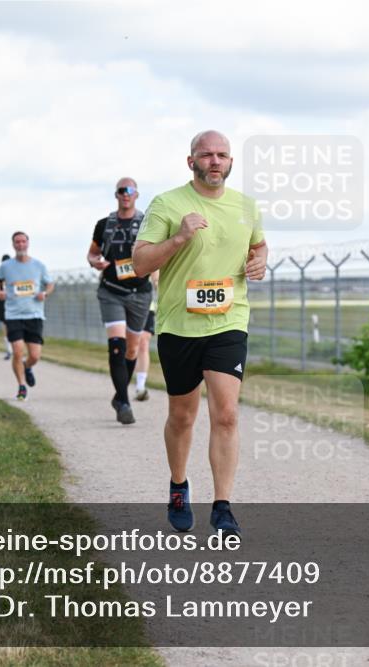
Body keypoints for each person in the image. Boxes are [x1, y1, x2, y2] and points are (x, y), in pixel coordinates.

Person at [133, 130, 267, 539]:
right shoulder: (168, 204)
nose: (215, 161)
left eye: (222, 155)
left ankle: (223, 507)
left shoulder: (246, 206)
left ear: (230, 163)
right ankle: (178, 486)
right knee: (182, 415)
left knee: (226, 413)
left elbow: (258, 247)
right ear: (190, 161)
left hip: (229, 321)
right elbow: (140, 264)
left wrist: (260, 262)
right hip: (179, 324)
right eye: (206, 155)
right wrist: (179, 237)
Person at [87, 177, 153, 424]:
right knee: (117, 344)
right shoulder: (104, 225)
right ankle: (124, 402)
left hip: (140, 292)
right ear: (116, 195)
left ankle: (119, 395)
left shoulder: (148, 223)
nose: (125, 194)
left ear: (137, 194)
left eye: (130, 190)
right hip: (111, 290)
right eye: (121, 191)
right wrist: (95, 262)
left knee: (133, 348)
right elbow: (92, 254)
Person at [0, 232, 54, 401]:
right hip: (13, 315)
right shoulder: (6, 266)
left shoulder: (39, 266)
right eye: (17, 242)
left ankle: (27, 367)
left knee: (34, 355)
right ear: (13, 245)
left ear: (28, 243)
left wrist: (44, 294)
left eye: (23, 241)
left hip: (34, 314)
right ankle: (21, 386)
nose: (20, 245)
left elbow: (50, 284)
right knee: (17, 352)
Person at [133, 271, 159, 401]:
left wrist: (157, 284)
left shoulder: (146, 249)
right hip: (123, 303)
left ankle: (140, 386)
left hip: (145, 305)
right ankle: (122, 382)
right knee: (129, 347)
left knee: (143, 343)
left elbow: (156, 276)